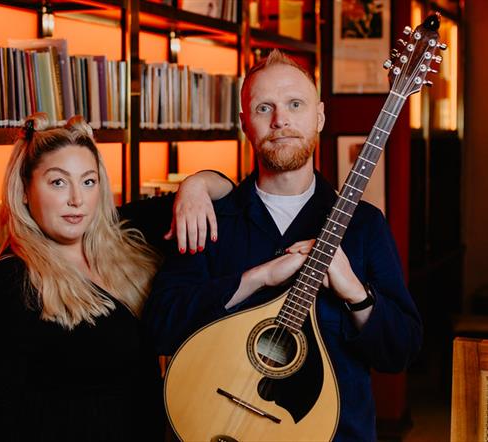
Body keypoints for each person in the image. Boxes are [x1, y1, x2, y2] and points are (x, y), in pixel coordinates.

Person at [144, 49, 422, 441]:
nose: (281, 120)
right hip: (215, 429)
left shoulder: (364, 226)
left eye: (295, 104)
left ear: (320, 116)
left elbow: (401, 351)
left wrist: (356, 293)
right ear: (245, 123)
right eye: (264, 108)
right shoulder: (208, 219)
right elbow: (160, 328)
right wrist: (256, 277)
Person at [0, 113, 233, 441]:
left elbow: (228, 192)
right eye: (58, 182)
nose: (76, 199)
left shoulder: (121, 232)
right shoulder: (10, 281)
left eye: (88, 181)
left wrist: (194, 186)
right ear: (24, 190)